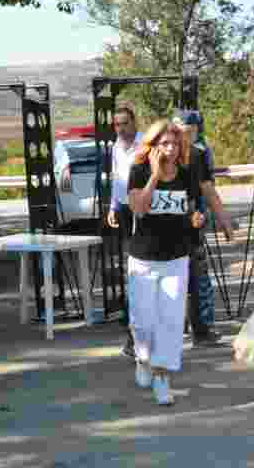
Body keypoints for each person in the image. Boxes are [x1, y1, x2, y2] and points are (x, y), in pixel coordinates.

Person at [126, 119, 203, 406]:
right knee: (143, 321)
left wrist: (197, 219)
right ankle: (142, 358)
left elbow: (192, 210)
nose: (170, 149)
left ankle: (162, 378)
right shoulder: (138, 171)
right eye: (164, 144)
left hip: (175, 258)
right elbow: (139, 209)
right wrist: (155, 176)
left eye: (174, 143)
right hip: (144, 259)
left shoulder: (187, 174)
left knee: (170, 322)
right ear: (153, 146)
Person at [171, 109, 235, 346]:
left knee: (198, 278)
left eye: (189, 132)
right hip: (165, 226)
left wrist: (223, 220)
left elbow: (208, 189)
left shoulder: (199, 154)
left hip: (193, 223)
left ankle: (201, 328)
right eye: (180, 132)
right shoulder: (160, 153)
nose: (184, 137)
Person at [105, 105, 143, 358]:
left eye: (124, 123)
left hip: (142, 209)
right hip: (123, 209)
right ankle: (133, 331)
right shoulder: (116, 148)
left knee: (140, 267)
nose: (120, 128)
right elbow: (116, 177)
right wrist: (112, 206)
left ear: (134, 122)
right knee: (131, 268)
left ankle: (138, 334)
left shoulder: (145, 145)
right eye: (117, 124)